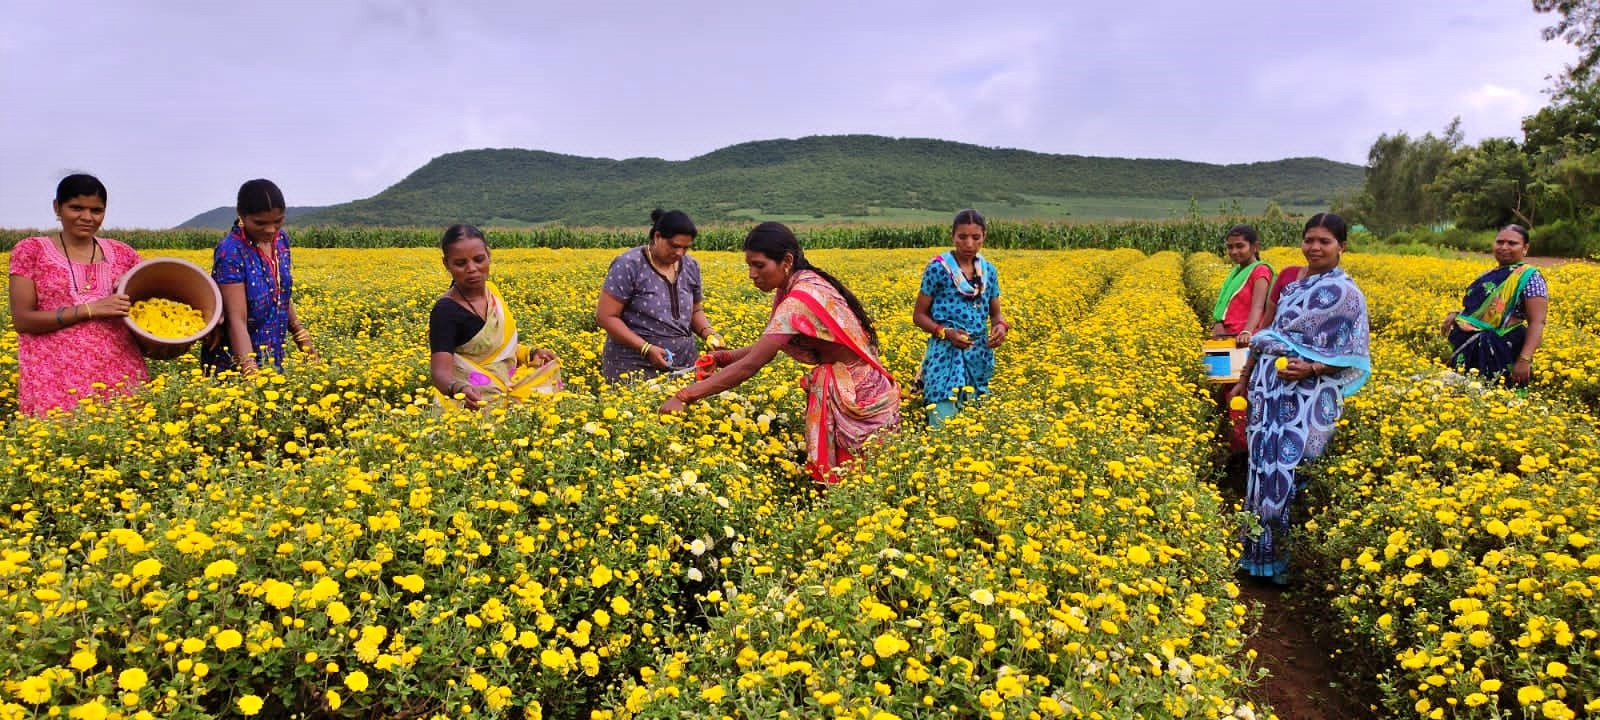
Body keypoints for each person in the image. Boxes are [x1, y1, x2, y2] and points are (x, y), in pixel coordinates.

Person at [659, 222, 900, 484]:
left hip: (856, 394)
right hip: (858, 385)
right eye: (749, 265)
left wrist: (684, 396)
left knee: (858, 482)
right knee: (856, 482)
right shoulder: (799, 285)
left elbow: (752, 364)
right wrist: (723, 357)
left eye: (759, 265)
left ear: (786, 260)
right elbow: (770, 345)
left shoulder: (798, 298)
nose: (752, 274)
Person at [1230, 213, 1370, 585]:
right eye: (1309, 240)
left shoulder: (1347, 293)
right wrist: (1244, 379)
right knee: (1261, 469)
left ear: (1342, 246)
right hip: (1269, 389)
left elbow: (1352, 352)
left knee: (1293, 471)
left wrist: (1311, 369)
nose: (1315, 248)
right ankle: (1257, 556)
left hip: (1307, 395)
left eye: (1325, 241)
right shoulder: (1292, 285)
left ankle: (1284, 561)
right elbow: (1271, 333)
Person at [6, 174, 148, 416]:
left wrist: (212, 319)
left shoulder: (123, 254)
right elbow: (23, 320)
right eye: (76, 208)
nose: (87, 217)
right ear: (57, 207)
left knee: (125, 443)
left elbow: (157, 298)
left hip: (120, 373)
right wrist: (90, 309)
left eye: (96, 210)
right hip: (56, 380)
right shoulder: (32, 251)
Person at [428, 224, 559, 410]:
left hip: (507, 400)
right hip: (469, 410)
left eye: (478, 259)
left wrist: (530, 353)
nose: (472, 268)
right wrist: (459, 388)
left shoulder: (493, 295)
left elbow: (498, 350)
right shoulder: (446, 311)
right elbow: (440, 372)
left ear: (488, 255)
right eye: (460, 263)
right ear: (446, 264)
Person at [201, 179, 315, 375]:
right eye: (260, 223)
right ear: (241, 214)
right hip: (235, 367)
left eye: (278, 221)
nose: (270, 229)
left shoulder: (280, 240)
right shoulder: (231, 251)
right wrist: (250, 370)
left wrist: (300, 334)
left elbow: (279, 292)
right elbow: (236, 319)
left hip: (272, 352)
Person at [596, 209, 724, 383]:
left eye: (685, 247)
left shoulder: (691, 266)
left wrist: (709, 333)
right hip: (633, 364)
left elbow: (695, 311)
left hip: (684, 362)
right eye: (674, 245)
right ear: (657, 237)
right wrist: (646, 348)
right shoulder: (629, 265)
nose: (679, 253)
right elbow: (606, 316)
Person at [912, 209, 1009, 426]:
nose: (969, 244)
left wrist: (1000, 327)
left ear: (984, 236)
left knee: (974, 420)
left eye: (976, 237)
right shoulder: (938, 269)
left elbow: (996, 313)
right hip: (944, 352)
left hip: (978, 354)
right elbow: (918, 315)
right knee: (942, 415)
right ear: (952, 237)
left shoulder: (988, 272)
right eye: (962, 237)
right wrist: (945, 332)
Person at [1441, 224, 1547, 386]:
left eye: (1512, 243)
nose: (1504, 247)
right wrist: (1456, 314)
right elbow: (1475, 310)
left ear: (1525, 248)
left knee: (1499, 398)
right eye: (1500, 242)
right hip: (1469, 344)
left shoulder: (1531, 277)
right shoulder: (1487, 275)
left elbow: (1537, 322)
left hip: (1502, 347)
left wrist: (1524, 359)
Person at [1210, 224, 1272, 347]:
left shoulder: (1260, 271)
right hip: (1228, 337)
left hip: (1247, 340)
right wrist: (1219, 323)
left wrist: (1246, 332)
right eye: (1230, 247)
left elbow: (1258, 307)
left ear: (1255, 247)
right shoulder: (1237, 271)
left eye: (1240, 246)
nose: (1234, 251)